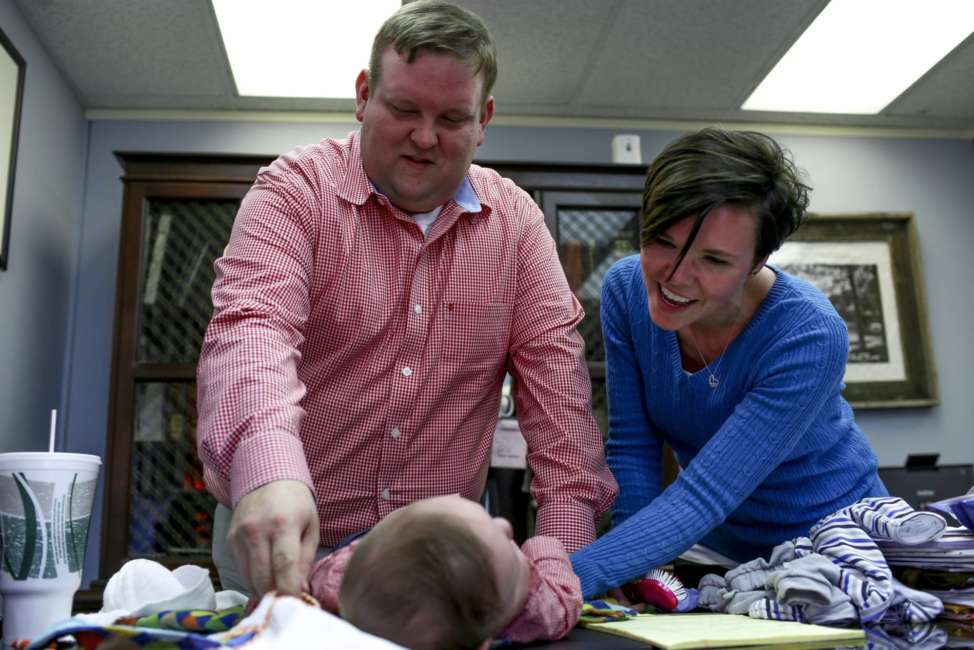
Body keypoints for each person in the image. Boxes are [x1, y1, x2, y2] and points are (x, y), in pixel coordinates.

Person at [196, 0, 616, 598]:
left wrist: (568, 564)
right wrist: (269, 473)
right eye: (403, 109)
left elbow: (559, 409)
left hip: (434, 561)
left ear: (483, 119)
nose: (424, 137)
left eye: (451, 118)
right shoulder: (292, 194)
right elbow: (253, 333)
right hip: (285, 527)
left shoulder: (517, 227)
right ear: (365, 94)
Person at [570, 128, 888, 598]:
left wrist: (563, 578)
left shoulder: (809, 332)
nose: (675, 277)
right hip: (723, 551)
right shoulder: (625, 291)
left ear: (757, 260)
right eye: (661, 240)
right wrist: (632, 572)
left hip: (837, 545)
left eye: (714, 260)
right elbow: (634, 447)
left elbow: (705, 493)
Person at [309, 494, 581, 648]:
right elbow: (564, 598)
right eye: (511, 548)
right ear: (482, 645)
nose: (505, 525)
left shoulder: (333, 585)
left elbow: (326, 575)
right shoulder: (532, 608)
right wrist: (544, 546)